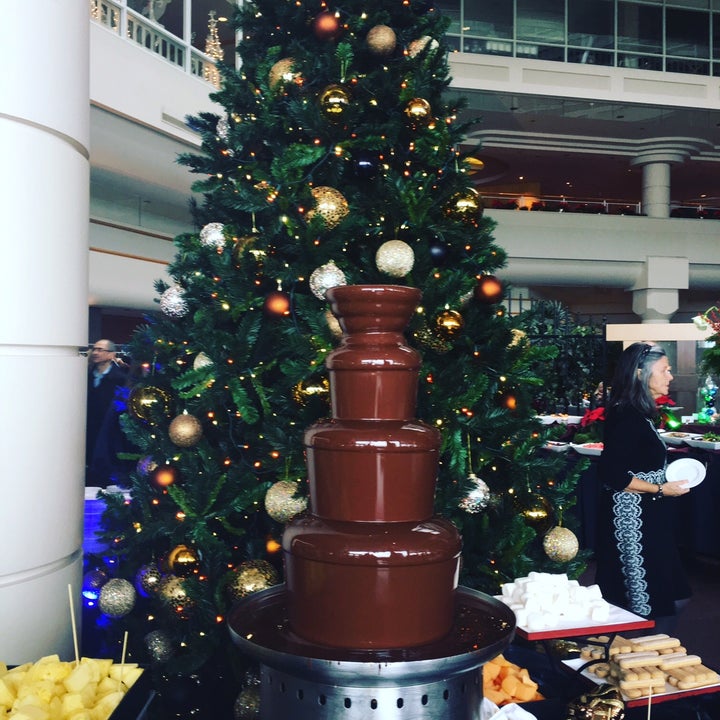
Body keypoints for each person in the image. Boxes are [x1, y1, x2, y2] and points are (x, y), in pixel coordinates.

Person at [595, 342, 691, 632]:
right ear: (640, 373)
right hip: (631, 520)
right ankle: (641, 659)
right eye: (665, 370)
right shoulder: (625, 415)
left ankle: (649, 654)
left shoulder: (640, 413)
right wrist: (661, 489)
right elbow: (611, 473)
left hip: (649, 517)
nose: (670, 377)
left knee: (674, 595)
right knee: (647, 601)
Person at [86, 339, 127, 486]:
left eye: (100, 350)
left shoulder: (120, 379)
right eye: (95, 349)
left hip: (108, 427)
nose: (96, 353)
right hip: (87, 425)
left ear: (111, 354)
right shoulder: (85, 376)